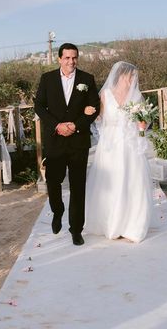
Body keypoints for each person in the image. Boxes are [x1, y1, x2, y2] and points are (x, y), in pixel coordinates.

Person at [34, 43, 100, 246]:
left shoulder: (87, 79)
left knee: (78, 186)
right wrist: (57, 125)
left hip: (78, 141)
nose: (71, 61)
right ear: (59, 59)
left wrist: (76, 125)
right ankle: (57, 210)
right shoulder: (47, 79)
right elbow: (39, 106)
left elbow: (94, 107)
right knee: (53, 182)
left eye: (74, 58)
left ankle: (76, 229)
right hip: (55, 140)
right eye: (67, 58)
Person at [85, 62, 152, 242]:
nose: (134, 80)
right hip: (111, 143)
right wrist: (92, 113)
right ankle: (111, 222)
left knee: (132, 180)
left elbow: (143, 123)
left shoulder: (136, 96)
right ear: (123, 75)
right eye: (132, 76)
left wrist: (142, 126)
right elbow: (98, 120)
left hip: (130, 144)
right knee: (112, 181)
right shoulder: (105, 95)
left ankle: (132, 224)